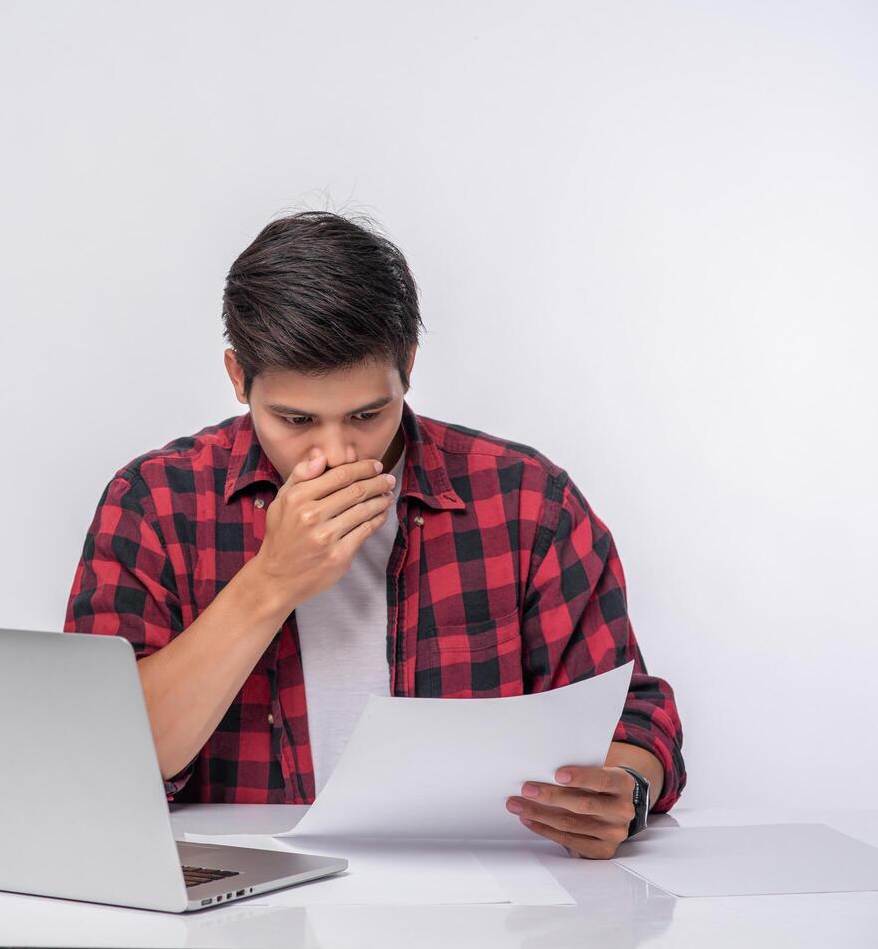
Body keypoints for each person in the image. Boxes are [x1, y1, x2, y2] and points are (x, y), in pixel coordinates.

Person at [64, 211, 685, 859]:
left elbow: (633, 717)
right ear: (236, 377)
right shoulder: (157, 504)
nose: (335, 451)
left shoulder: (526, 501)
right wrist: (269, 583)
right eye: (294, 419)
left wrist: (624, 792)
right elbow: (102, 762)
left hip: (478, 897)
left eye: (367, 414)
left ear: (407, 367)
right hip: (240, 903)